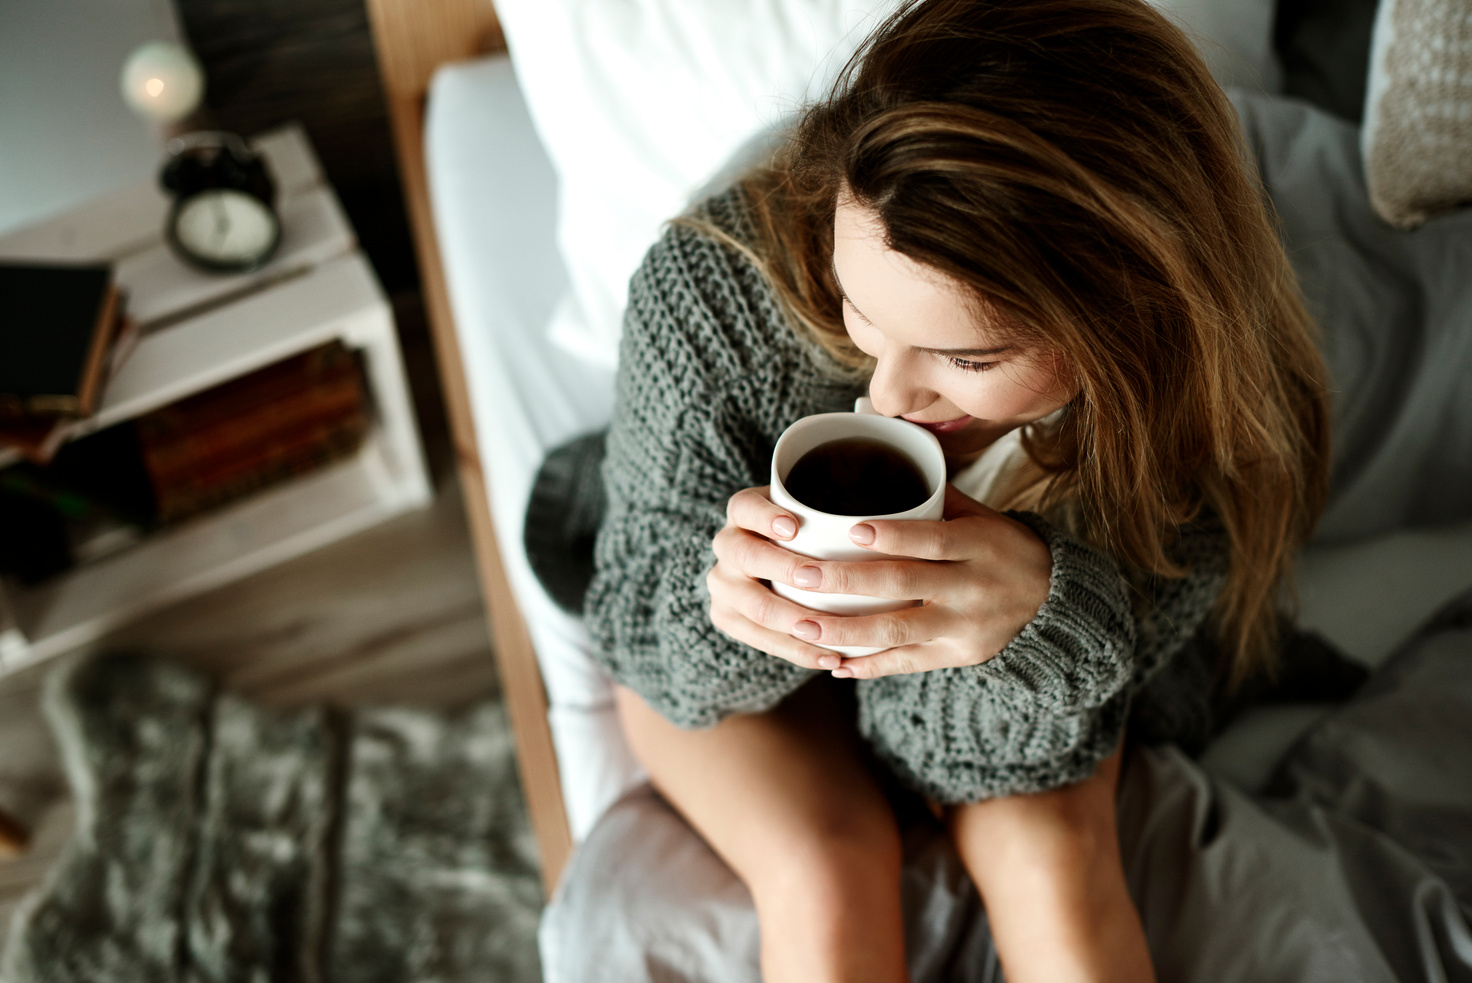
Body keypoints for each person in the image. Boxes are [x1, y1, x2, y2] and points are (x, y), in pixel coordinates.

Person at [584, 0, 1332, 979]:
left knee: (1054, 855)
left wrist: (1041, 623)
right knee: (823, 868)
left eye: (966, 354)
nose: (888, 394)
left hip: (1000, 713)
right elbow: (637, 621)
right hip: (736, 683)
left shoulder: (1199, 415)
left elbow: (949, 761)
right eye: (860, 311)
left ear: (1128, 324)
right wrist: (723, 607)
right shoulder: (715, 292)